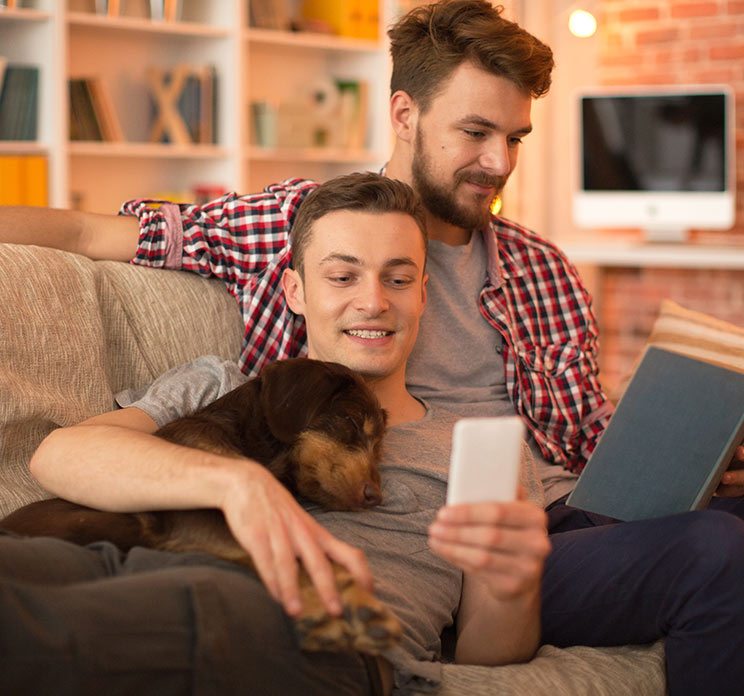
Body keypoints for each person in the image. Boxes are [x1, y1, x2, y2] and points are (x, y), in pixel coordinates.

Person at [3, 2, 744, 693]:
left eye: (515, 138)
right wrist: (235, 481)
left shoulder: (541, 269)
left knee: (725, 532)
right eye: (476, 133)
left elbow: (586, 438)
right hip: (405, 537)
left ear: (421, 289)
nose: (500, 163)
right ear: (405, 115)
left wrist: (693, 452)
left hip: (541, 519)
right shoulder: (292, 229)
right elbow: (86, 236)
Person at [1, 173, 550, 695]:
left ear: (423, 295)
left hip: (314, 628)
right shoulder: (223, 385)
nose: (374, 301)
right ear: (294, 290)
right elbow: (59, 455)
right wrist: (235, 483)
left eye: (398, 279)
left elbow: (484, 656)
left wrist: (514, 586)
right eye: (342, 276)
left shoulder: (473, 451)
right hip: (123, 553)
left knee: (39, 638)